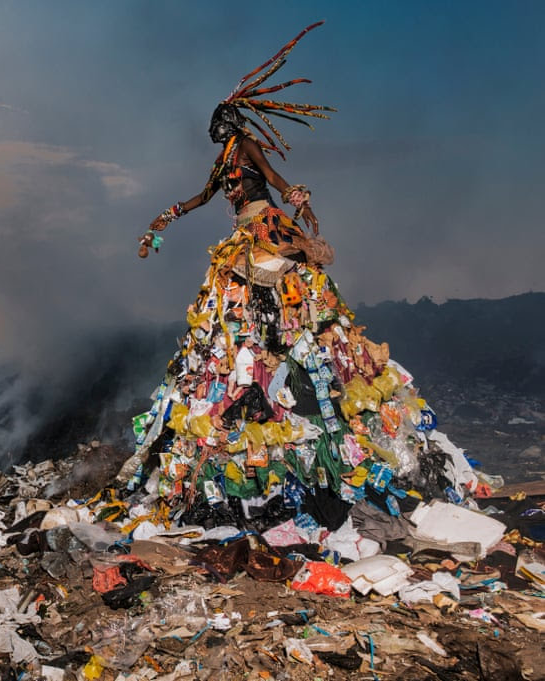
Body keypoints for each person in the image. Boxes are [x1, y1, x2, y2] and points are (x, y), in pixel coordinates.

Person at [120, 22, 461, 530]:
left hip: (266, 227)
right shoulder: (220, 166)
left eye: (219, 124)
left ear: (230, 121)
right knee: (235, 322)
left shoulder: (248, 147)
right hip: (242, 237)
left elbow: (278, 182)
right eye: (214, 128)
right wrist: (157, 224)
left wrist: (300, 200)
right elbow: (198, 200)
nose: (215, 133)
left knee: (296, 306)